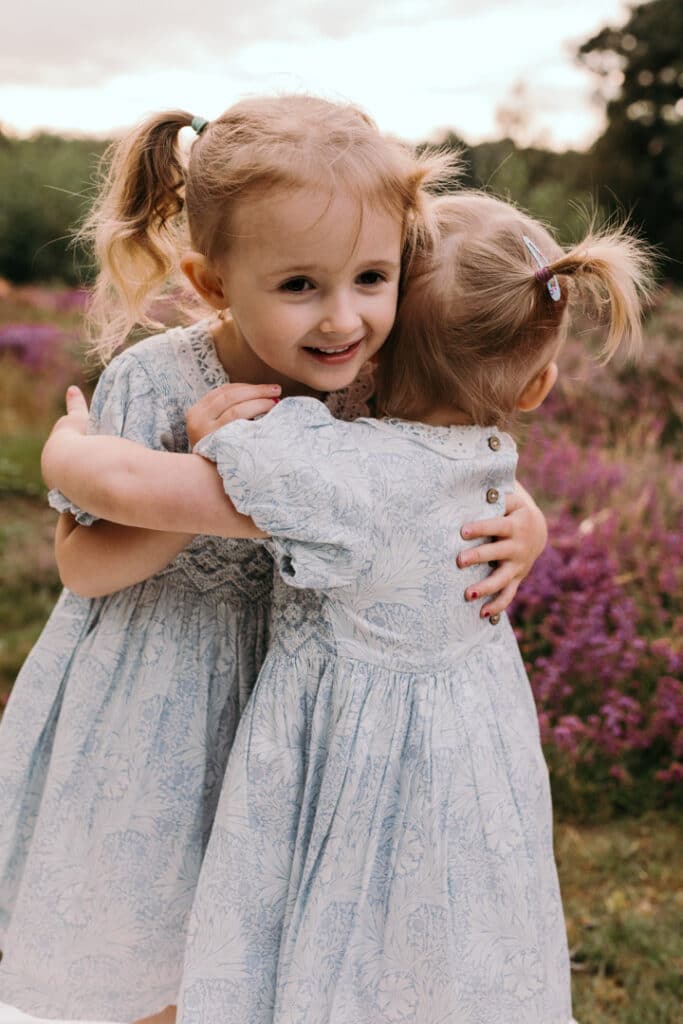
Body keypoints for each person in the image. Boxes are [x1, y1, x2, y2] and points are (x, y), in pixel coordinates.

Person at [38, 191, 653, 1023]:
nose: (341, 316)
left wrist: (66, 446)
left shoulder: (335, 447)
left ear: (390, 327)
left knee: (245, 946)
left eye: (370, 280)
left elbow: (129, 485)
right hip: (378, 755)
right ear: (538, 386)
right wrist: (531, 522)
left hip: (324, 746)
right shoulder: (450, 449)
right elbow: (448, 484)